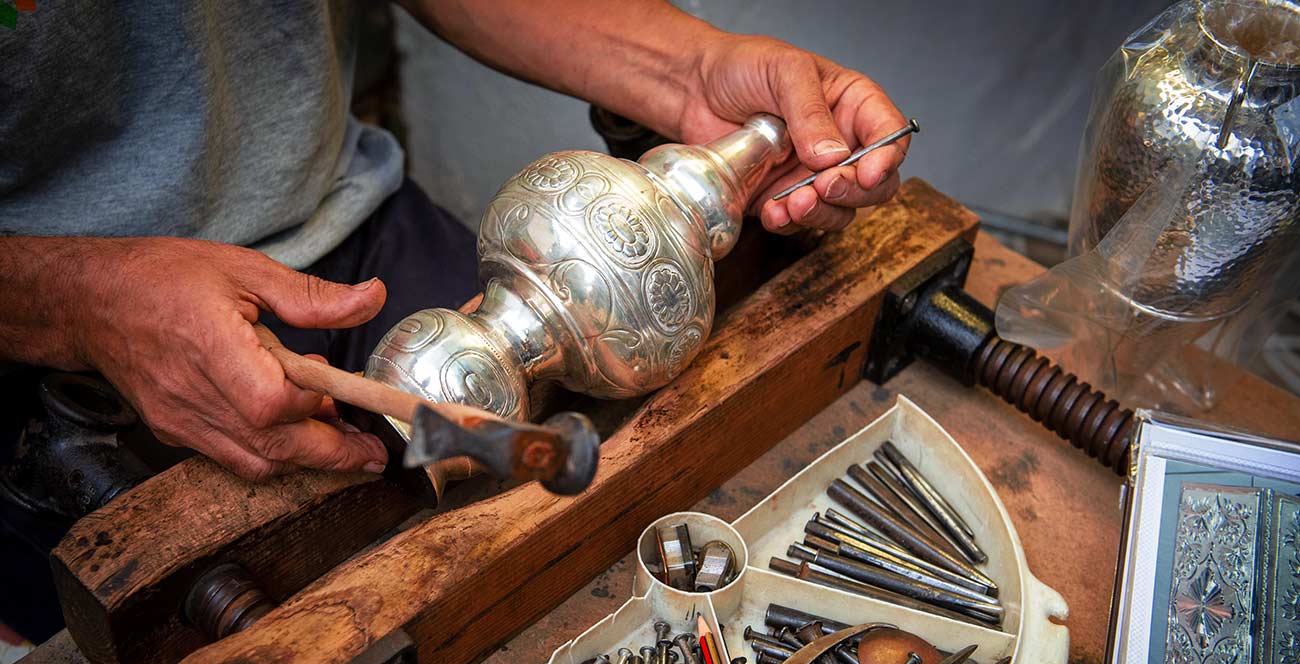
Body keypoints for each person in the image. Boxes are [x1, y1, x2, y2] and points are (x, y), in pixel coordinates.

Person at [0, 1, 909, 484]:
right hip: (52, 343)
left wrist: (687, 72)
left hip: (359, 235)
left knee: (533, 498)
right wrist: (76, 303)